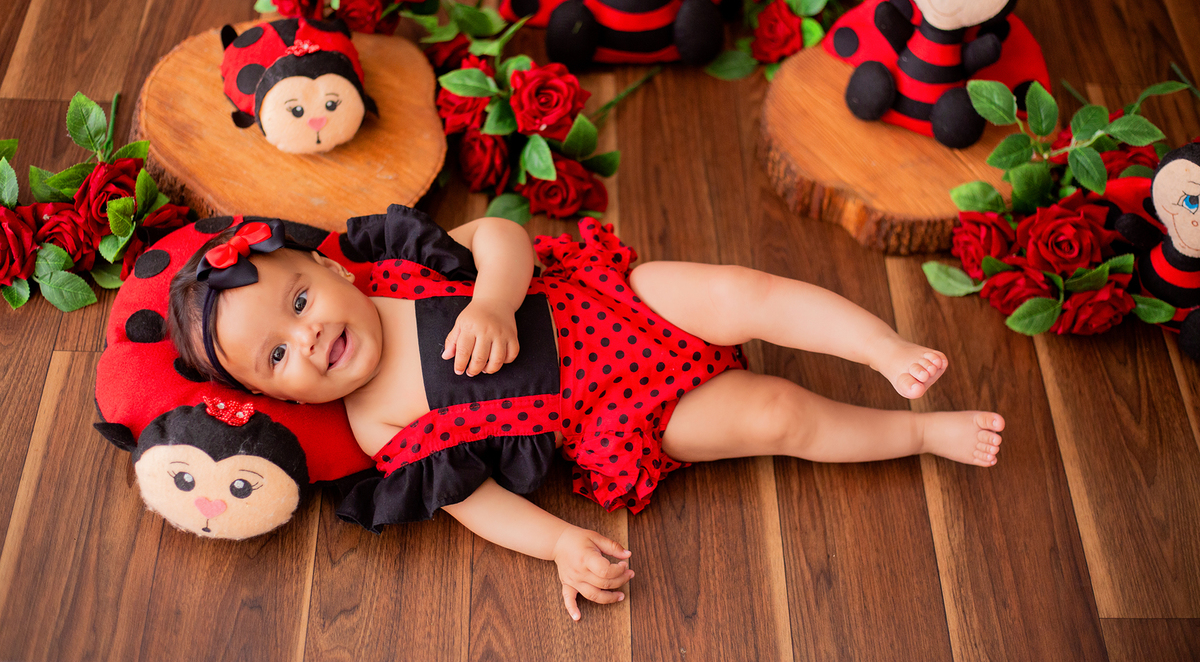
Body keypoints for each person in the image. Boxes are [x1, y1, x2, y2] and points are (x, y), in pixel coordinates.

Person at [167, 206, 1004, 620]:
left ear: (330, 267)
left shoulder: (403, 269)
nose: (309, 338)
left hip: (611, 302)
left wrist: (493, 301)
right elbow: (474, 503)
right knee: (778, 417)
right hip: (622, 412)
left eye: (300, 301)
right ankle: (920, 434)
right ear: (281, 399)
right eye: (277, 357)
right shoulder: (373, 427)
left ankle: (882, 348)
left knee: (743, 292)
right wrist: (560, 544)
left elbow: (502, 235)